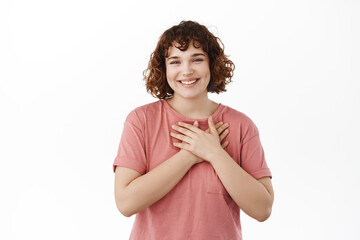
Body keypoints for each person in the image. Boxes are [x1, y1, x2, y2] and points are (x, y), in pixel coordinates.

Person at [113, 20, 274, 240]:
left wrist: (215, 154)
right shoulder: (140, 121)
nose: (186, 70)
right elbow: (126, 203)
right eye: (175, 61)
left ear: (212, 64)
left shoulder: (241, 126)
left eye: (197, 59)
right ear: (164, 68)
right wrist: (189, 155)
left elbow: (262, 209)